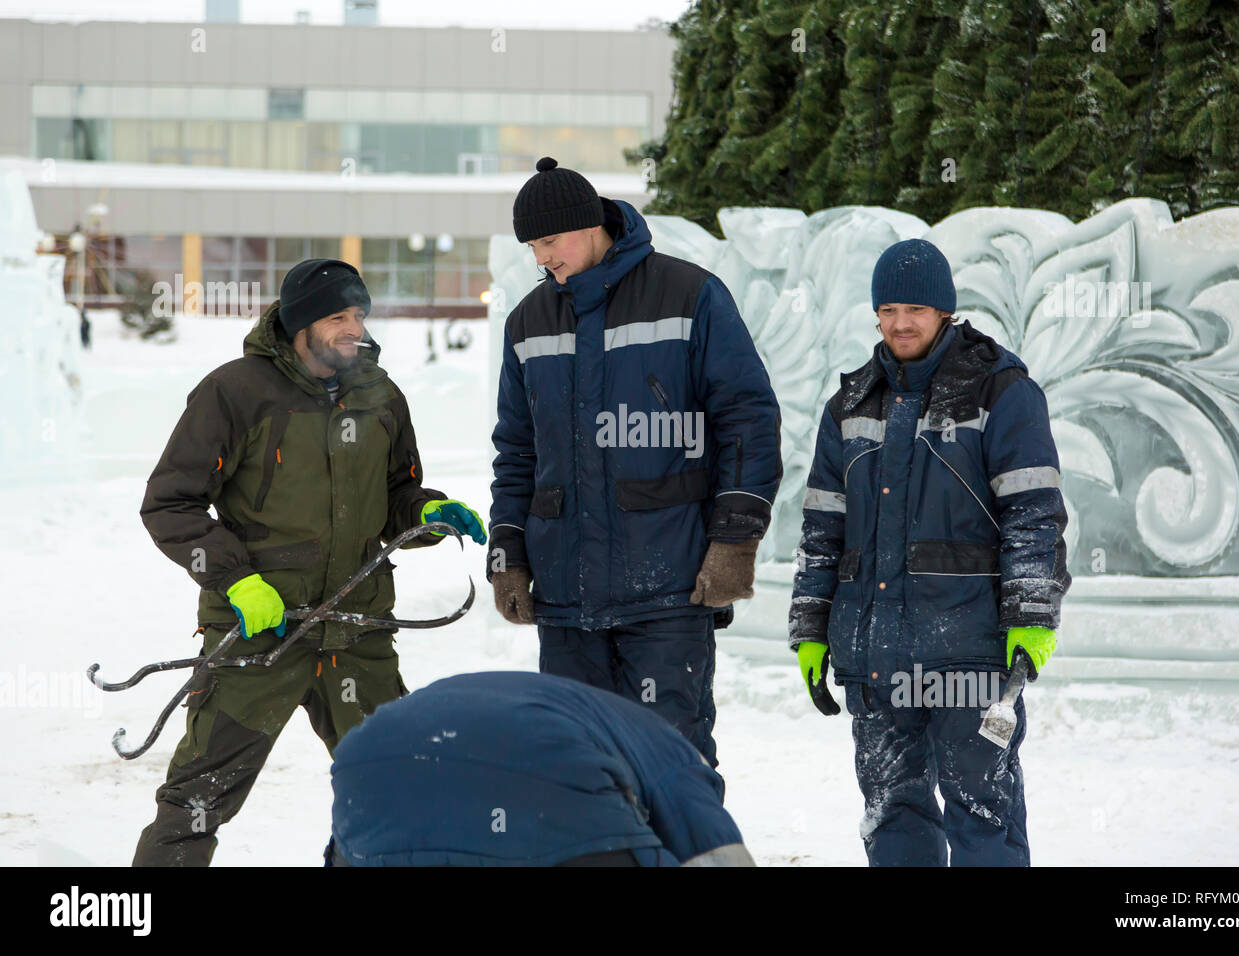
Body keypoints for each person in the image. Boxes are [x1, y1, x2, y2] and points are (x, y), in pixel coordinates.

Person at [132, 258, 486, 866]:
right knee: (198, 800)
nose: (355, 327)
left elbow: (395, 494)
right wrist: (238, 583)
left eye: (359, 315)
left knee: (400, 784)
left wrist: (428, 513)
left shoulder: (380, 396)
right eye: (337, 316)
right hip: (258, 632)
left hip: (357, 630)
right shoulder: (235, 392)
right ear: (299, 325)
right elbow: (171, 505)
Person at [487, 157, 783, 769]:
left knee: (670, 767)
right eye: (531, 247)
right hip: (567, 600)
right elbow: (517, 452)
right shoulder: (528, 322)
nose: (541, 259)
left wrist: (735, 540)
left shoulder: (689, 294)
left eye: (549, 241)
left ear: (591, 225)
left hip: (669, 591)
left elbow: (747, 420)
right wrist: (507, 552)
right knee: (578, 773)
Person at [788, 238, 1070, 866]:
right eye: (887, 310)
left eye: (914, 308)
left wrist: (1030, 616)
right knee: (893, 812)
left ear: (944, 310)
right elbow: (822, 531)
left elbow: (1035, 513)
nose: (900, 324)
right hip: (874, 655)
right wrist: (810, 628)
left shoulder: (998, 390)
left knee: (981, 811)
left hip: (968, 650)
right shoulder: (851, 403)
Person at [326, 670, 754, 866]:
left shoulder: (614, 724)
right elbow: (718, 857)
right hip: (543, 769)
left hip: (370, 761)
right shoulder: (679, 761)